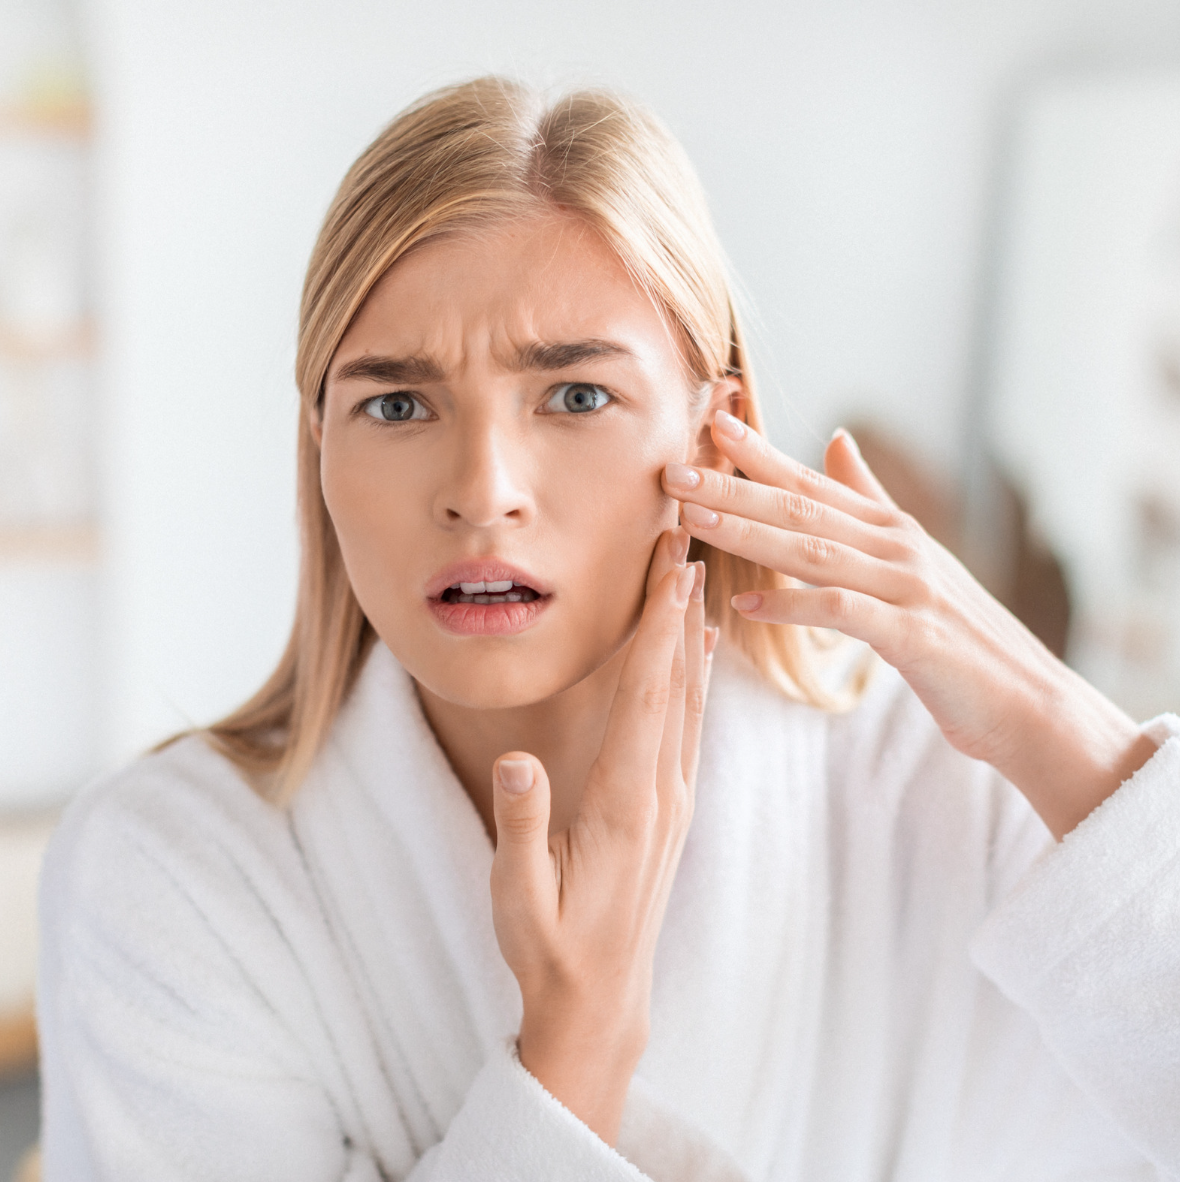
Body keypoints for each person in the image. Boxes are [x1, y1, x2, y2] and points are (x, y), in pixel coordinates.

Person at [37, 77, 1180, 1181]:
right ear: (318, 449)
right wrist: (571, 1053)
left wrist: (1058, 729)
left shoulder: (938, 800)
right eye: (395, 404)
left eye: (576, 397)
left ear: (713, 434)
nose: (482, 490)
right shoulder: (172, 875)